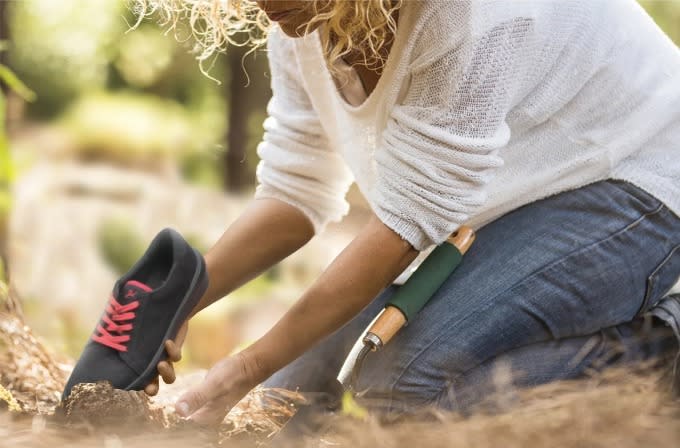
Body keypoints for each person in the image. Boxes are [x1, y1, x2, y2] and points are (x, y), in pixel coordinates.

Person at [134, 0, 680, 425]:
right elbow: (295, 188)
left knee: (407, 392)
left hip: (638, 178)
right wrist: (174, 303)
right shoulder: (302, 19)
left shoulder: (471, 16)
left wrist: (241, 369)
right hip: (507, 201)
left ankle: (658, 353)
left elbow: (407, 224)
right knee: (285, 403)